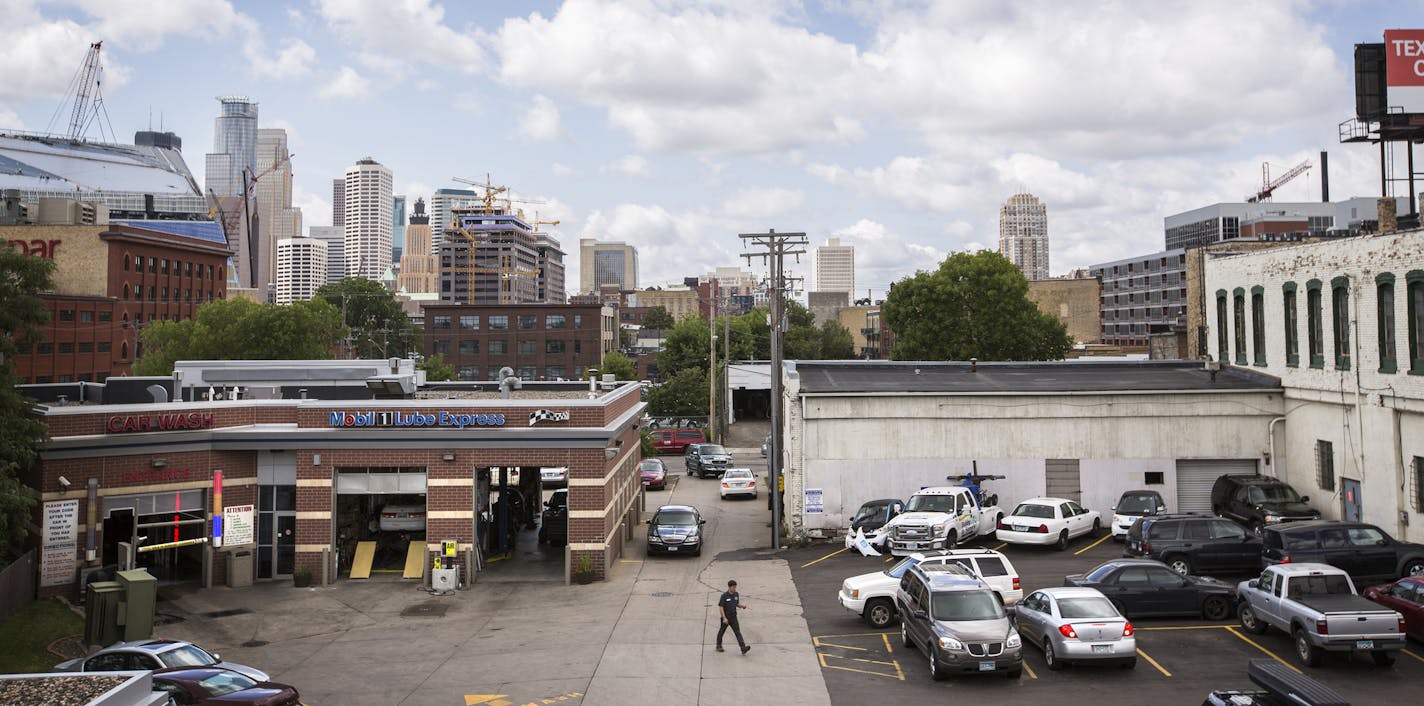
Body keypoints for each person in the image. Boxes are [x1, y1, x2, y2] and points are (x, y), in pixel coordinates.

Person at [717, 579, 751, 654]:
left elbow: (736, 603)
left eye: (735, 587)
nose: (735, 588)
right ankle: (718, 645)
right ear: (729, 587)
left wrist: (742, 606)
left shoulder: (736, 594)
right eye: (733, 587)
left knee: (737, 632)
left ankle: (743, 648)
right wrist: (724, 618)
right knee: (721, 632)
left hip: (733, 617)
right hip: (726, 618)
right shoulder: (724, 596)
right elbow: (721, 607)